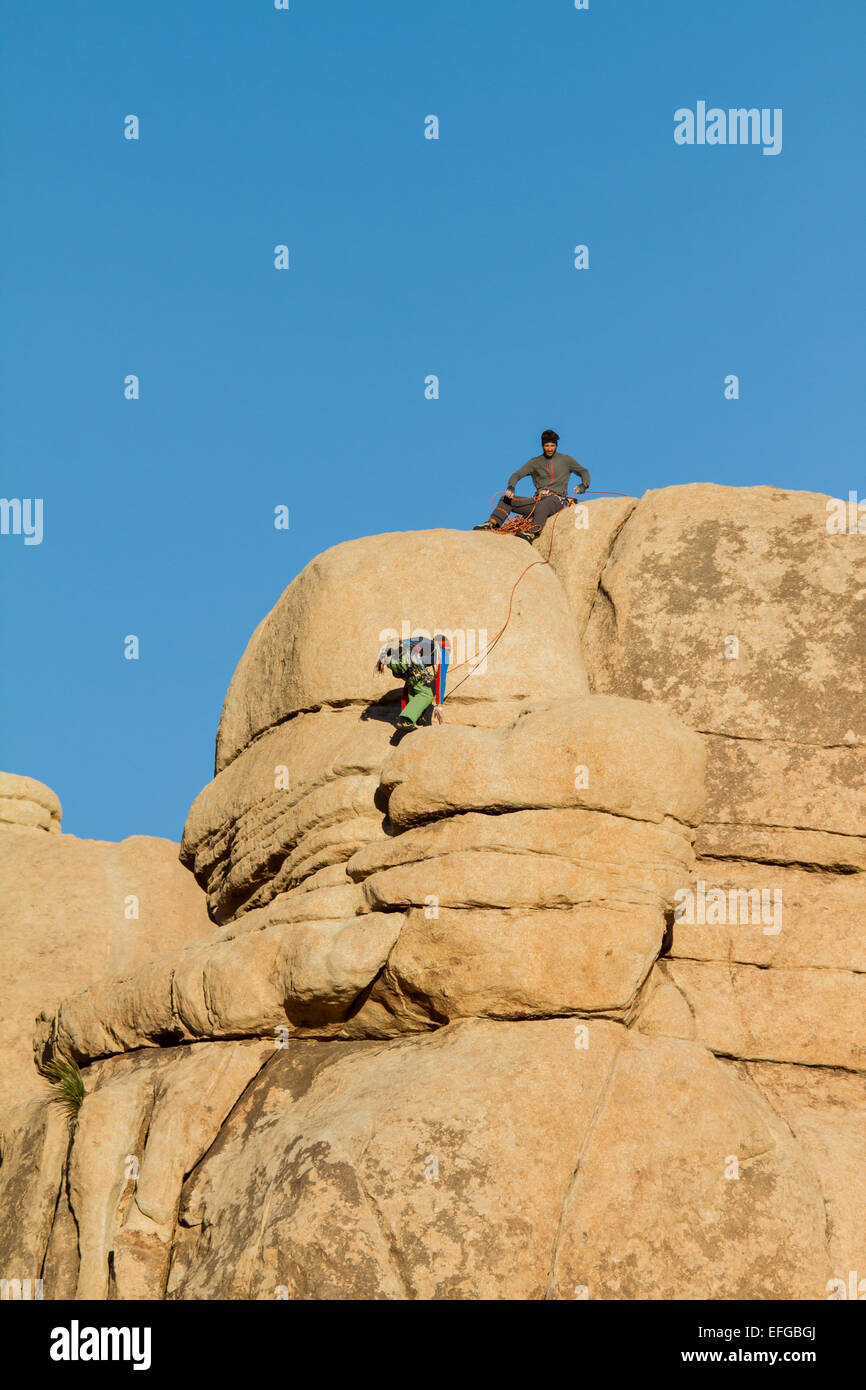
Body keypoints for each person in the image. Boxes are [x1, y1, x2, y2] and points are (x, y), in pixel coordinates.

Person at [474, 429, 590, 539]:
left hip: (557, 500)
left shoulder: (566, 460)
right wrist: (511, 487)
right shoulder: (535, 462)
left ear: (556, 446)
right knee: (506, 499)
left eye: (552, 446)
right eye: (547, 446)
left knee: (543, 505)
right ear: (542, 446)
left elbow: (584, 471)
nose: (549, 449)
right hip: (537, 500)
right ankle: (492, 524)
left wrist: (583, 485)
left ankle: (533, 532)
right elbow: (516, 475)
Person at [375, 633, 450, 730]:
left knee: (416, 683)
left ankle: (416, 715)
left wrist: (404, 707)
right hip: (405, 659)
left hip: (391, 660)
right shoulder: (442, 652)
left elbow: (409, 684)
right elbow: (441, 678)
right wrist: (439, 705)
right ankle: (406, 720)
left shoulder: (423, 644)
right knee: (428, 691)